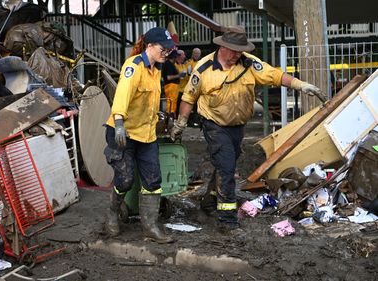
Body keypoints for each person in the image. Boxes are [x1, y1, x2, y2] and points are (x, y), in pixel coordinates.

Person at [170, 26, 325, 230]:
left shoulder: (249, 63)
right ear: (222, 47)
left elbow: (274, 75)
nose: (237, 54)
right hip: (214, 124)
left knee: (225, 164)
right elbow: (188, 98)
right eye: (233, 50)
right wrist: (181, 123)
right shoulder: (204, 68)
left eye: (240, 50)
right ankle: (227, 221)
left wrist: (300, 85)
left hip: (238, 125)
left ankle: (209, 201)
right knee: (227, 168)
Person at [104, 27, 175, 243]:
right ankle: (112, 213)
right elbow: (122, 96)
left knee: (153, 180)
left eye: (169, 51)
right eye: (163, 49)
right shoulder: (133, 66)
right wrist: (118, 123)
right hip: (122, 132)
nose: (166, 54)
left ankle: (150, 226)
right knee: (125, 180)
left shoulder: (156, 70)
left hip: (146, 134)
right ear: (150, 46)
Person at [162, 50, 183, 116]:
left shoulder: (170, 64)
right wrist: (179, 75)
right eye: (177, 57)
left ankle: (170, 117)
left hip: (172, 86)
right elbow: (168, 77)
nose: (178, 58)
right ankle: (169, 118)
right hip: (171, 85)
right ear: (174, 57)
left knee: (172, 102)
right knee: (171, 101)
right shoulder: (169, 64)